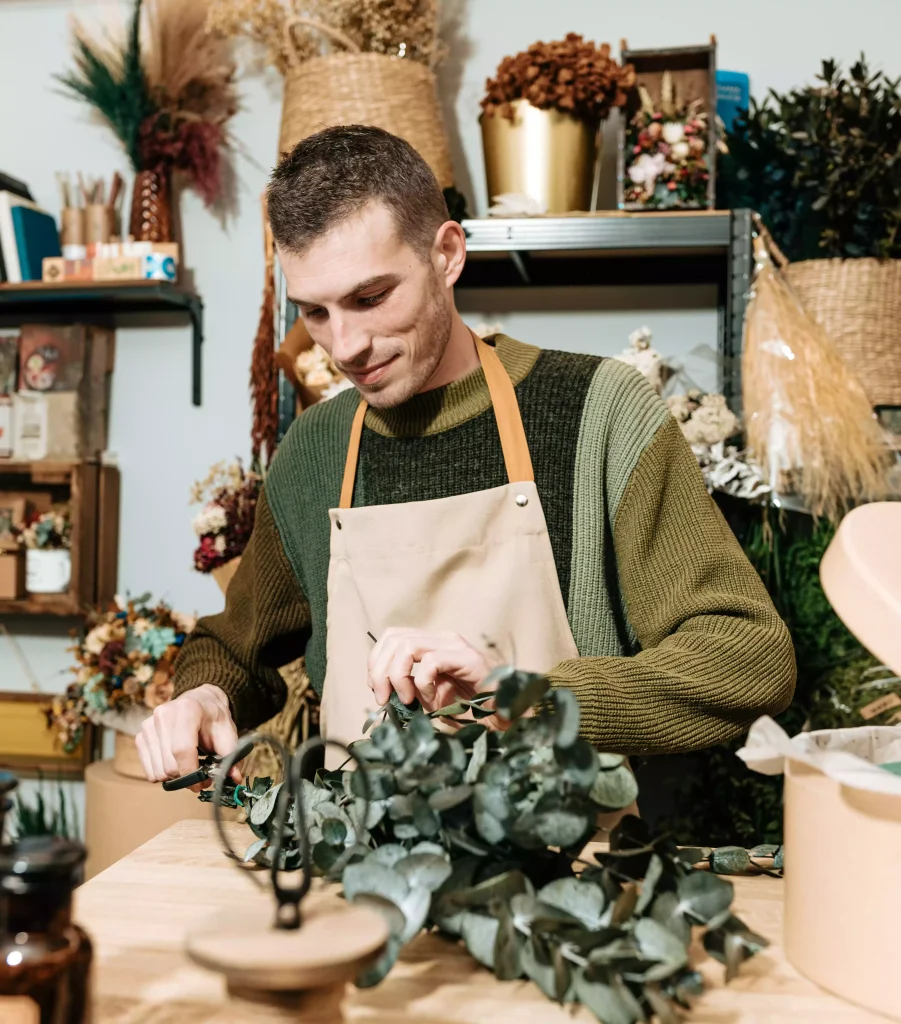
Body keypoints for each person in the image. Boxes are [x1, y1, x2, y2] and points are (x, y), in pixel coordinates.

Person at [136, 125, 796, 787]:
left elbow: (747, 659)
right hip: (359, 872)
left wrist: (527, 700)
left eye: (371, 298)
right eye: (316, 311)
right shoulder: (316, 448)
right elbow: (235, 650)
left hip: (569, 873)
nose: (346, 345)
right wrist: (205, 697)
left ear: (447, 254)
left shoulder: (598, 411)